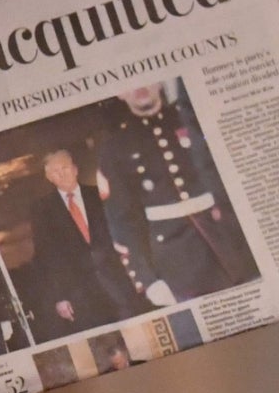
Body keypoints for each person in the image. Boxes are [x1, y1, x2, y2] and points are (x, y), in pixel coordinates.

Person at [90, 82, 258, 304]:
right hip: (176, 257)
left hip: (230, 237)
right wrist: (148, 279)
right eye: (128, 81)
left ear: (159, 81)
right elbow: (122, 221)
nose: (139, 85)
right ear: (119, 93)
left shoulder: (192, 120)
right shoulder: (115, 148)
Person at [20, 147, 144, 333]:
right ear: (49, 178)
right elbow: (45, 257)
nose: (61, 174)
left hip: (120, 281)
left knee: (138, 330)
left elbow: (126, 233)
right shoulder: (42, 210)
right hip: (81, 293)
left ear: (75, 169)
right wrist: (59, 297)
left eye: (65, 167)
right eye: (55, 171)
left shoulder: (98, 195)